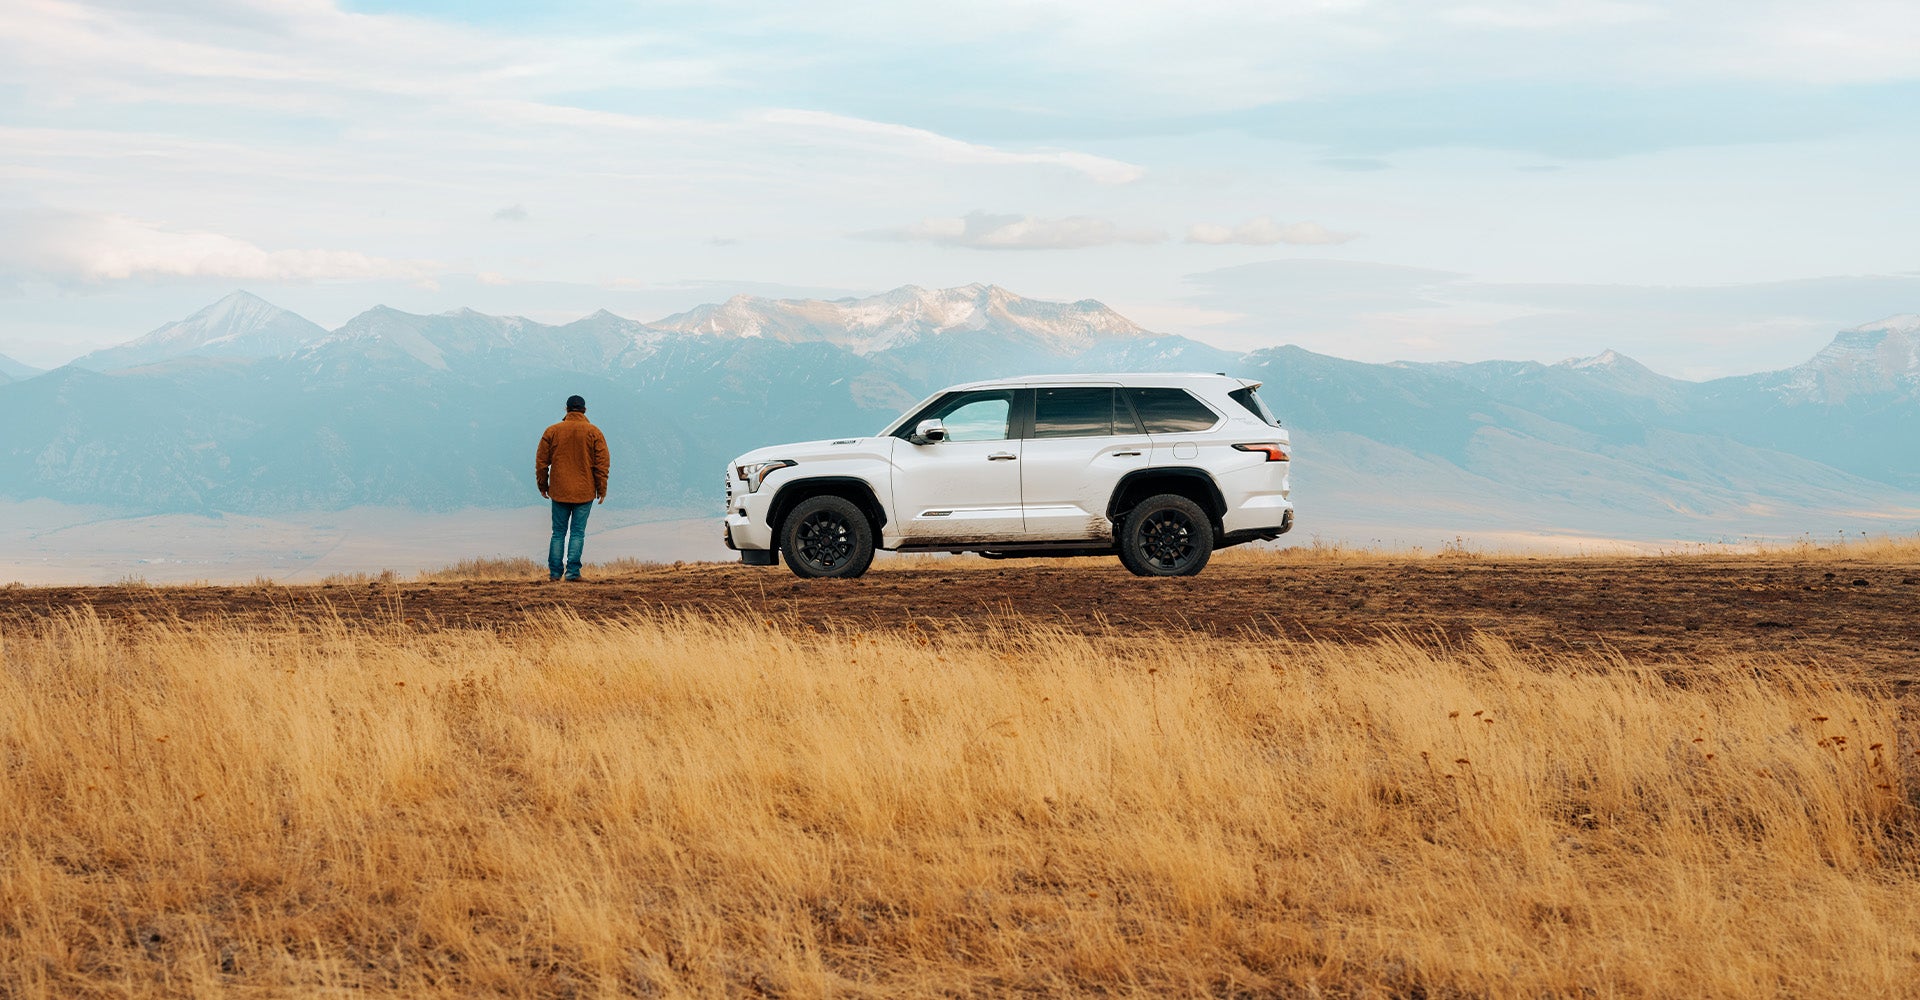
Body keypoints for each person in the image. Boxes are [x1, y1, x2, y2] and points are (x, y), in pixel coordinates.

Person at [535, 394, 609, 581]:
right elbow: (602, 464)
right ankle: (573, 573)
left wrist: (543, 485)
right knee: (577, 533)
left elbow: (541, 462)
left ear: (566, 409)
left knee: (558, 533)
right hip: (584, 491)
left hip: (559, 490)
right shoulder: (594, 432)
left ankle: (554, 573)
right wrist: (601, 489)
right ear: (584, 410)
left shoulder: (552, 431)